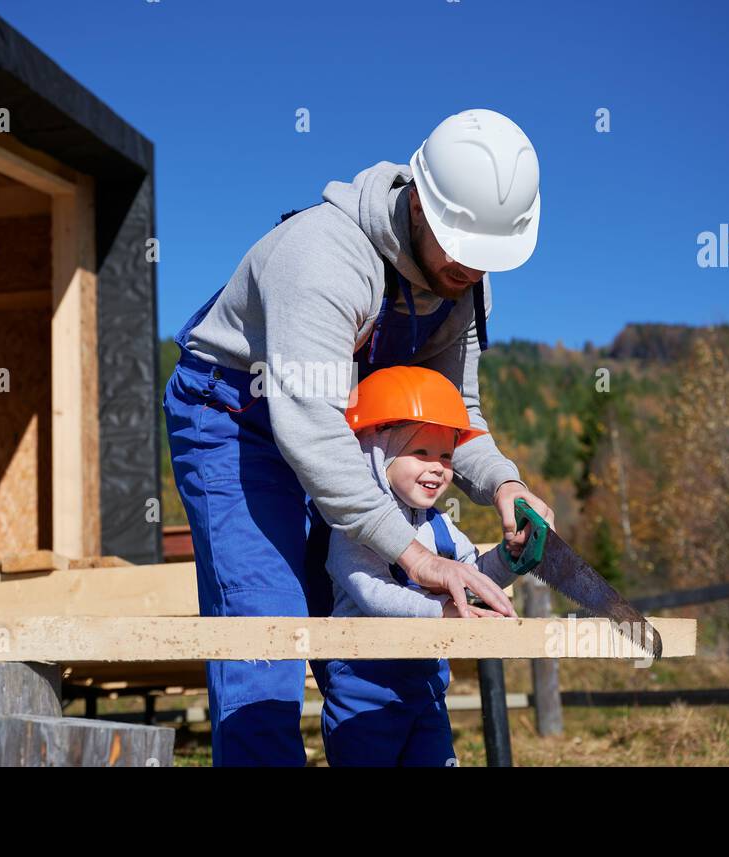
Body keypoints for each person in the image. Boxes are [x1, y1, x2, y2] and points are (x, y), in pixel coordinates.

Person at [163, 109, 554, 766]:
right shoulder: (323, 257)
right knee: (267, 627)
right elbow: (311, 436)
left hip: (348, 429)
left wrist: (504, 483)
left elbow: (454, 413)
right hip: (237, 418)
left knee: (360, 623)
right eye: (462, 248)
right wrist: (415, 554)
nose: (470, 268)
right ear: (423, 206)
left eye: (485, 256)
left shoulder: (461, 285)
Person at [316, 366, 526, 766]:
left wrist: (511, 558)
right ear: (379, 454)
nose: (438, 467)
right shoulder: (352, 527)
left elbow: (471, 578)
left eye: (446, 456)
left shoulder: (440, 525)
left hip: (426, 687)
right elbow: (373, 593)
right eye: (421, 452)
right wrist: (440, 613)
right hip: (364, 689)